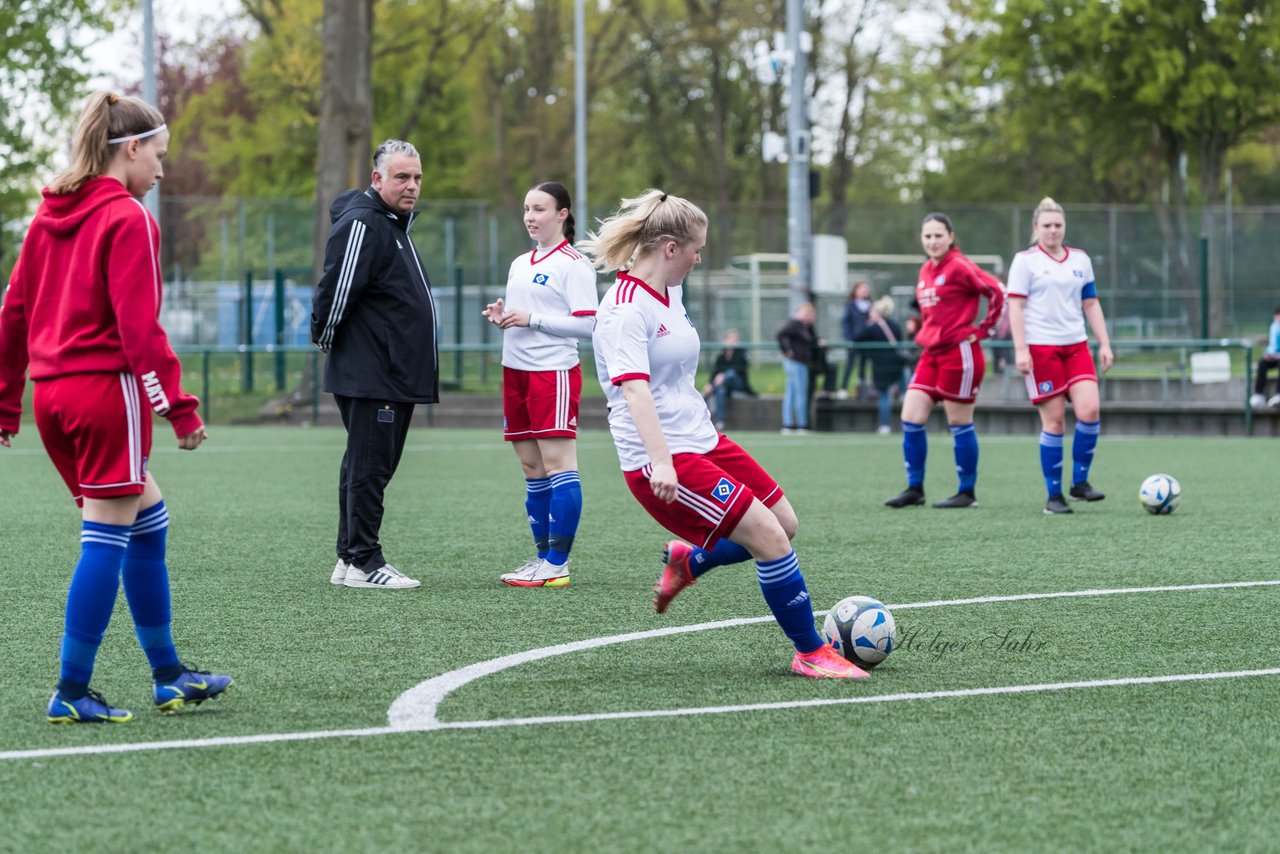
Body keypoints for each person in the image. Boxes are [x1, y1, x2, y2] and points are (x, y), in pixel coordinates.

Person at [0, 92, 232, 724]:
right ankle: (71, 689)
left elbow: (14, 314)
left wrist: (5, 403)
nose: (161, 171)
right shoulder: (128, 219)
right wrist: (179, 408)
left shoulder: (46, 218)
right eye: (158, 156)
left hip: (53, 399)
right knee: (104, 537)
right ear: (130, 149)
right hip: (103, 393)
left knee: (147, 520)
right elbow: (139, 329)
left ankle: (169, 675)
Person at [582, 188, 867, 679]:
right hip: (663, 456)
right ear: (670, 248)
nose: (699, 258)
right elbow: (635, 394)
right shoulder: (626, 309)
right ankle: (810, 652)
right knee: (772, 541)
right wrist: (664, 463)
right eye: (696, 249)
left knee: (785, 522)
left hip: (703, 439)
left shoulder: (669, 291)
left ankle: (691, 562)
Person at [312, 139, 438, 590]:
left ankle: (349, 556)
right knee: (370, 467)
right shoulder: (366, 222)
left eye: (417, 177)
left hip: (390, 371)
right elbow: (337, 288)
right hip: (374, 372)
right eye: (402, 177)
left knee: (364, 463)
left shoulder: (392, 224)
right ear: (377, 179)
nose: (412, 186)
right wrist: (326, 338)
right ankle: (367, 560)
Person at [482, 182, 597, 587]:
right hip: (514, 370)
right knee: (532, 467)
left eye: (540, 209)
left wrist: (532, 319)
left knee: (559, 465)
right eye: (527, 209)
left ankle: (558, 563)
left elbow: (589, 323)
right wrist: (504, 315)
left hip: (553, 373)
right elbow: (527, 310)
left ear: (563, 214)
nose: (531, 217)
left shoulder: (574, 265)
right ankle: (542, 559)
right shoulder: (520, 262)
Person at [885, 212, 1005, 509]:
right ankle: (915, 489)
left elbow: (997, 291)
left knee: (958, 422)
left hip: (959, 353)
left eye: (939, 235)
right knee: (910, 417)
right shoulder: (926, 269)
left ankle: (967, 492)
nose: (933, 241)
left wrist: (984, 329)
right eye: (928, 236)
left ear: (950, 237)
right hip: (931, 353)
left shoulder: (960, 266)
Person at [1007, 198, 1114, 515]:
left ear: (1064, 227)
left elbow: (1091, 303)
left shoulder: (1080, 259)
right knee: (1054, 423)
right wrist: (1021, 349)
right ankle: (1054, 497)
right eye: (1047, 226)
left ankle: (1079, 484)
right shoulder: (1025, 261)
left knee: (1090, 410)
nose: (1053, 231)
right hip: (1041, 349)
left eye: (1058, 225)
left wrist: (1104, 344)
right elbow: (1015, 307)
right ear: (1035, 228)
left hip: (1077, 346)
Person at [854, 296, 907, 434]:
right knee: (902, 394)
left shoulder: (873, 327)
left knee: (884, 395)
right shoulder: (894, 325)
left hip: (881, 366)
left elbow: (856, 339)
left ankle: (885, 425)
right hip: (897, 364)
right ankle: (908, 423)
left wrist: (869, 324)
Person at [776, 302, 820, 434]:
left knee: (793, 393)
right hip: (795, 362)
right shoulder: (795, 323)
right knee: (799, 393)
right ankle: (800, 424)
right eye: (807, 313)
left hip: (799, 362)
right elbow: (780, 335)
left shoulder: (804, 326)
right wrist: (787, 350)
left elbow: (811, 340)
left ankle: (790, 424)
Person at [701, 328, 757, 431]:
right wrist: (709, 383)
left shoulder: (742, 353)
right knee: (721, 391)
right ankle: (720, 422)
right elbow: (715, 373)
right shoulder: (721, 356)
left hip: (738, 384)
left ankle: (711, 391)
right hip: (724, 386)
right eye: (730, 339)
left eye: (735, 339)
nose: (732, 341)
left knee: (730, 374)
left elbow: (740, 369)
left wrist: (723, 376)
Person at [839, 280, 873, 398]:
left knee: (863, 365)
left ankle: (861, 389)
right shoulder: (850, 305)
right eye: (861, 289)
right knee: (850, 364)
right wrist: (848, 339)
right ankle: (843, 388)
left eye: (866, 289)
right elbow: (845, 323)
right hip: (854, 341)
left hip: (866, 341)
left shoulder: (870, 305)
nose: (864, 291)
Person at [1249, 306, 1280, 409]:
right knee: (1262, 363)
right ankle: (1259, 395)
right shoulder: (1274, 327)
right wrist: (1269, 354)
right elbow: (1273, 345)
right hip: (1275, 356)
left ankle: (1278, 394)